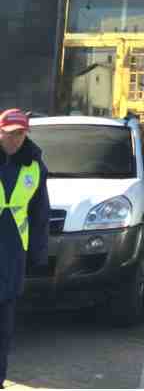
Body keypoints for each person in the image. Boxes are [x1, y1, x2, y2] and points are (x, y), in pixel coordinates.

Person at [0, 109, 49, 390]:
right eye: (11, 133)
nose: (16, 139)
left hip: (13, 255)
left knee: (4, 329)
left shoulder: (34, 166)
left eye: (21, 134)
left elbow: (40, 213)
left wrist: (38, 255)